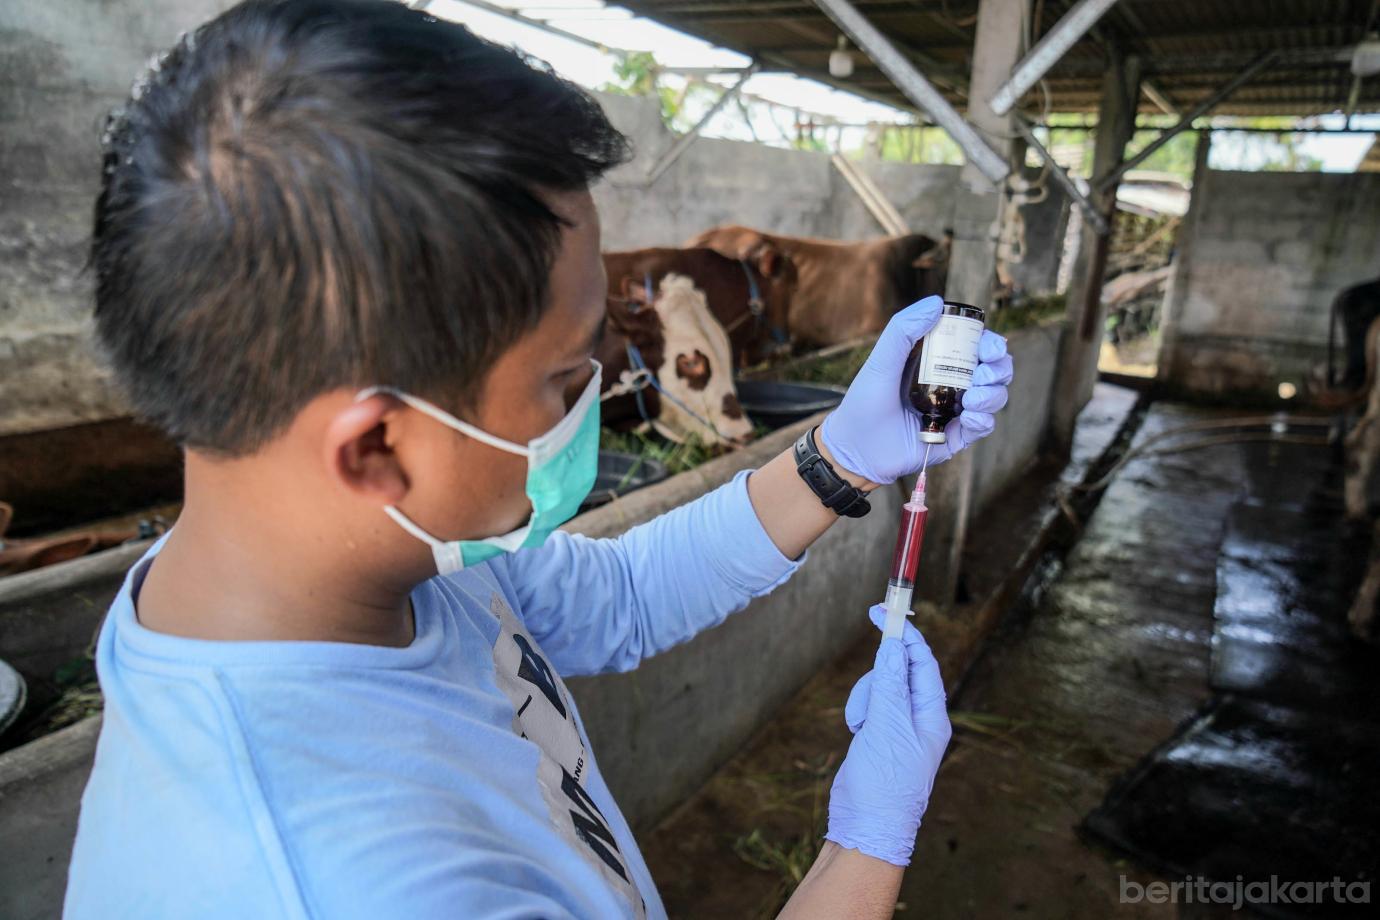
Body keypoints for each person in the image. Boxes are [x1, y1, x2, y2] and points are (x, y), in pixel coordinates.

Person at [63, 2, 1013, 917]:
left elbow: (623, 595)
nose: (587, 406)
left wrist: (839, 457)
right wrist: (865, 847)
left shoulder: (368, 557)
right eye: (564, 380)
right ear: (378, 446)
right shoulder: (349, 886)